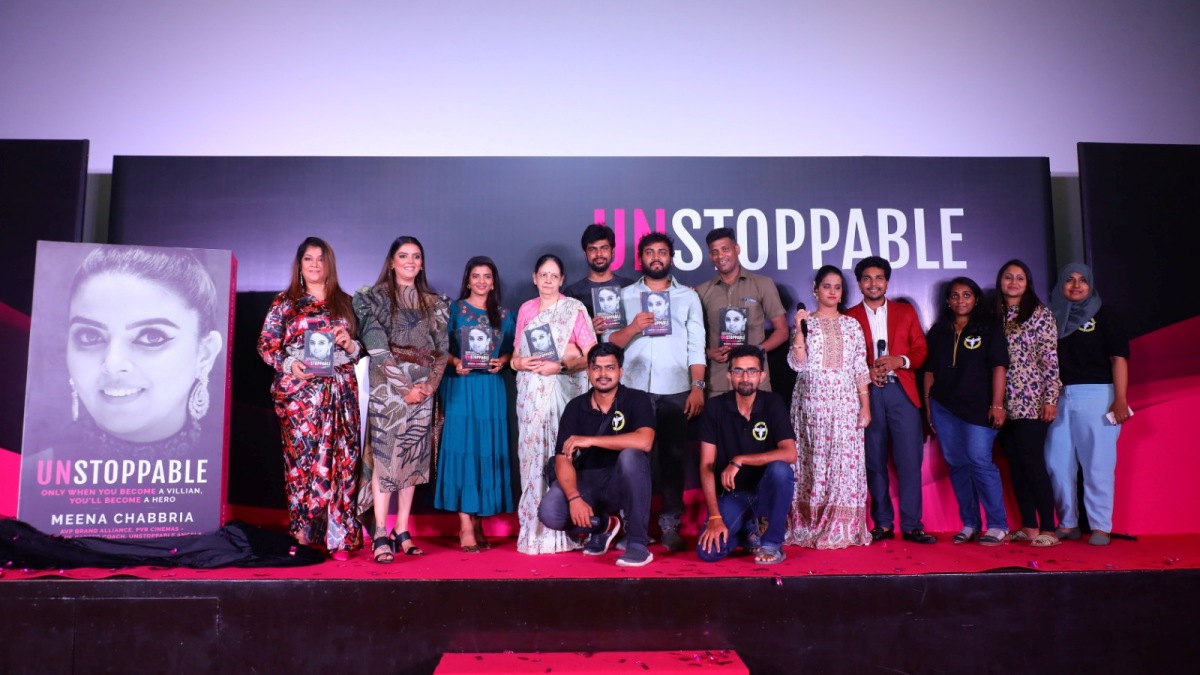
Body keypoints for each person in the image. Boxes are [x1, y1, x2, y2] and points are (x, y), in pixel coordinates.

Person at [258, 237, 362, 559]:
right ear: (300, 264)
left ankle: (339, 537)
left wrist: (350, 345)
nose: (315, 264)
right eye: (308, 259)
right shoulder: (285, 303)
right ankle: (301, 531)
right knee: (301, 464)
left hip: (340, 393)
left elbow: (362, 350)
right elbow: (266, 345)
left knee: (341, 462)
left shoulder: (346, 302)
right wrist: (291, 365)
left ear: (329, 264)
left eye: (321, 259)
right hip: (299, 396)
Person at [63, 246, 224, 451]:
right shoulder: (36, 468)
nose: (113, 363)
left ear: (204, 354)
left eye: (151, 337)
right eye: (90, 336)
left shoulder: (236, 460)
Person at [607, 233, 706, 552]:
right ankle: (633, 526)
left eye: (662, 252)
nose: (656, 257)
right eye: (650, 252)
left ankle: (670, 525)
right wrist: (633, 327)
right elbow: (609, 344)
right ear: (641, 259)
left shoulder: (688, 297)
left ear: (671, 258)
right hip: (633, 389)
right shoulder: (624, 296)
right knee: (632, 459)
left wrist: (698, 387)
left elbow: (697, 346)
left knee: (673, 459)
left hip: (676, 389)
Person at [354, 236, 450, 563]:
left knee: (413, 461)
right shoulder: (373, 298)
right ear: (392, 261)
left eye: (416, 256)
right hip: (389, 389)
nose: (410, 261)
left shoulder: (435, 303)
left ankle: (402, 529)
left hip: (423, 390)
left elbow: (442, 350)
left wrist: (429, 386)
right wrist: (405, 387)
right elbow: (376, 346)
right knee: (386, 459)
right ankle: (380, 531)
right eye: (404, 255)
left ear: (422, 264)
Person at [537, 343, 656, 567]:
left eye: (609, 368)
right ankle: (603, 526)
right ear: (588, 371)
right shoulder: (575, 406)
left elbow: (645, 441)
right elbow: (562, 457)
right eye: (596, 368)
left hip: (623, 481)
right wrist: (574, 497)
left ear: (620, 371)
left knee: (631, 455)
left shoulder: (636, 399)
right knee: (550, 512)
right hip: (589, 481)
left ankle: (637, 544)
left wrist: (590, 440)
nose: (603, 374)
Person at [845, 256, 935, 544]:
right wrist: (867, 372)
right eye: (867, 278)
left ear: (887, 281)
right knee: (873, 460)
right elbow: (843, 359)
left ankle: (912, 525)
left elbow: (921, 350)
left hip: (902, 391)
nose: (873, 283)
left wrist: (900, 360)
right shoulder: (848, 317)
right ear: (859, 283)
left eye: (879, 278)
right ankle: (882, 523)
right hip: (866, 394)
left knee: (909, 461)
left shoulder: (905, 312)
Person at [512, 254, 597, 554]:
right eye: (543, 275)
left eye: (554, 275)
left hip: (562, 397)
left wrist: (559, 367)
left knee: (560, 456)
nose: (548, 280)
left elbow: (592, 356)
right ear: (534, 278)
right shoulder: (525, 309)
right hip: (530, 400)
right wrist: (519, 362)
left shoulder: (574, 309)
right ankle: (533, 530)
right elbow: (515, 357)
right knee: (532, 459)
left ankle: (565, 528)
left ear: (562, 280)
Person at [785, 265, 872, 549]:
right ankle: (808, 523)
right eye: (826, 286)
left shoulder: (852, 325)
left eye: (837, 287)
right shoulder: (805, 322)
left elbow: (860, 367)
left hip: (845, 405)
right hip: (811, 404)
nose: (832, 292)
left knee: (842, 464)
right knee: (812, 463)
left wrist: (865, 406)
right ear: (815, 290)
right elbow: (798, 364)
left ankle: (841, 526)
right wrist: (799, 330)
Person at [1045, 263, 1130, 546]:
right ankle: (1068, 523)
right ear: (1061, 285)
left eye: (1083, 280)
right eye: (1069, 280)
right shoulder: (1050, 317)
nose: (1076, 285)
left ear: (1091, 284)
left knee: (1097, 464)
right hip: (1058, 397)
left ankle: (1100, 526)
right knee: (1057, 463)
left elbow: (1118, 359)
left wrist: (1120, 399)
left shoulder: (1105, 315)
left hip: (1098, 395)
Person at [436, 256, 516, 552]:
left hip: (490, 390)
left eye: (487, 276)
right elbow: (437, 348)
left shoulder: (505, 315)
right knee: (462, 449)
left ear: (493, 282)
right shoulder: (453, 310)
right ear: (467, 280)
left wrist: (502, 361)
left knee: (485, 450)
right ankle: (465, 525)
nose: (482, 281)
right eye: (476, 276)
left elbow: (513, 350)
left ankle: (479, 520)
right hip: (461, 387)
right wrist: (455, 362)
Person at [923, 277, 1010, 546]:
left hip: (979, 407)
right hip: (944, 407)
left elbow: (999, 367)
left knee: (979, 461)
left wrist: (997, 404)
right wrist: (929, 406)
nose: (961, 300)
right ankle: (970, 523)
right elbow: (929, 371)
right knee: (957, 464)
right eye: (955, 295)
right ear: (947, 301)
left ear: (976, 299)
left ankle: (997, 525)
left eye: (967, 295)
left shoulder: (989, 328)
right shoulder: (938, 331)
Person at [696, 345, 797, 565]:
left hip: (764, 492)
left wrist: (740, 460)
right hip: (734, 495)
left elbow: (790, 453)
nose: (745, 377)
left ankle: (772, 543)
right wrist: (715, 516)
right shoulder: (715, 407)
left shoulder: (772, 403)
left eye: (752, 371)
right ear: (729, 375)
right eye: (738, 371)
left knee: (781, 470)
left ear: (762, 376)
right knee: (709, 552)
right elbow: (706, 465)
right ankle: (746, 530)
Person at [995, 259, 1062, 547]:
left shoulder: (1039, 314)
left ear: (1028, 283)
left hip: (1031, 400)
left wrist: (1050, 398)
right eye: (1008, 277)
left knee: (1032, 463)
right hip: (1001, 403)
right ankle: (1029, 526)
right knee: (1015, 464)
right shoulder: (993, 315)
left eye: (1019, 278)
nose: (1013, 282)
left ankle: (1049, 528)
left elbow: (1049, 359)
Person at [695, 228, 787, 395]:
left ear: (737, 249)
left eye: (725, 249)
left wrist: (756, 351)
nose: (720, 256)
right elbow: (691, 339)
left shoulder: (763, 284)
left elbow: (782, 331)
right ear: (710, 256)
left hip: (756, 382)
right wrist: (709, 353)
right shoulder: (701, 292)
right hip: (717, 384)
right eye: (715, 252)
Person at [563, 224, 635, 332]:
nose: (599, 254)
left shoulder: (628, 286)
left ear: (612, 251)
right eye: (592, 249)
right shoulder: (572, 292)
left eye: (604, 248)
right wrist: (587, 330)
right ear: (585, 254)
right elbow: (565, 332)